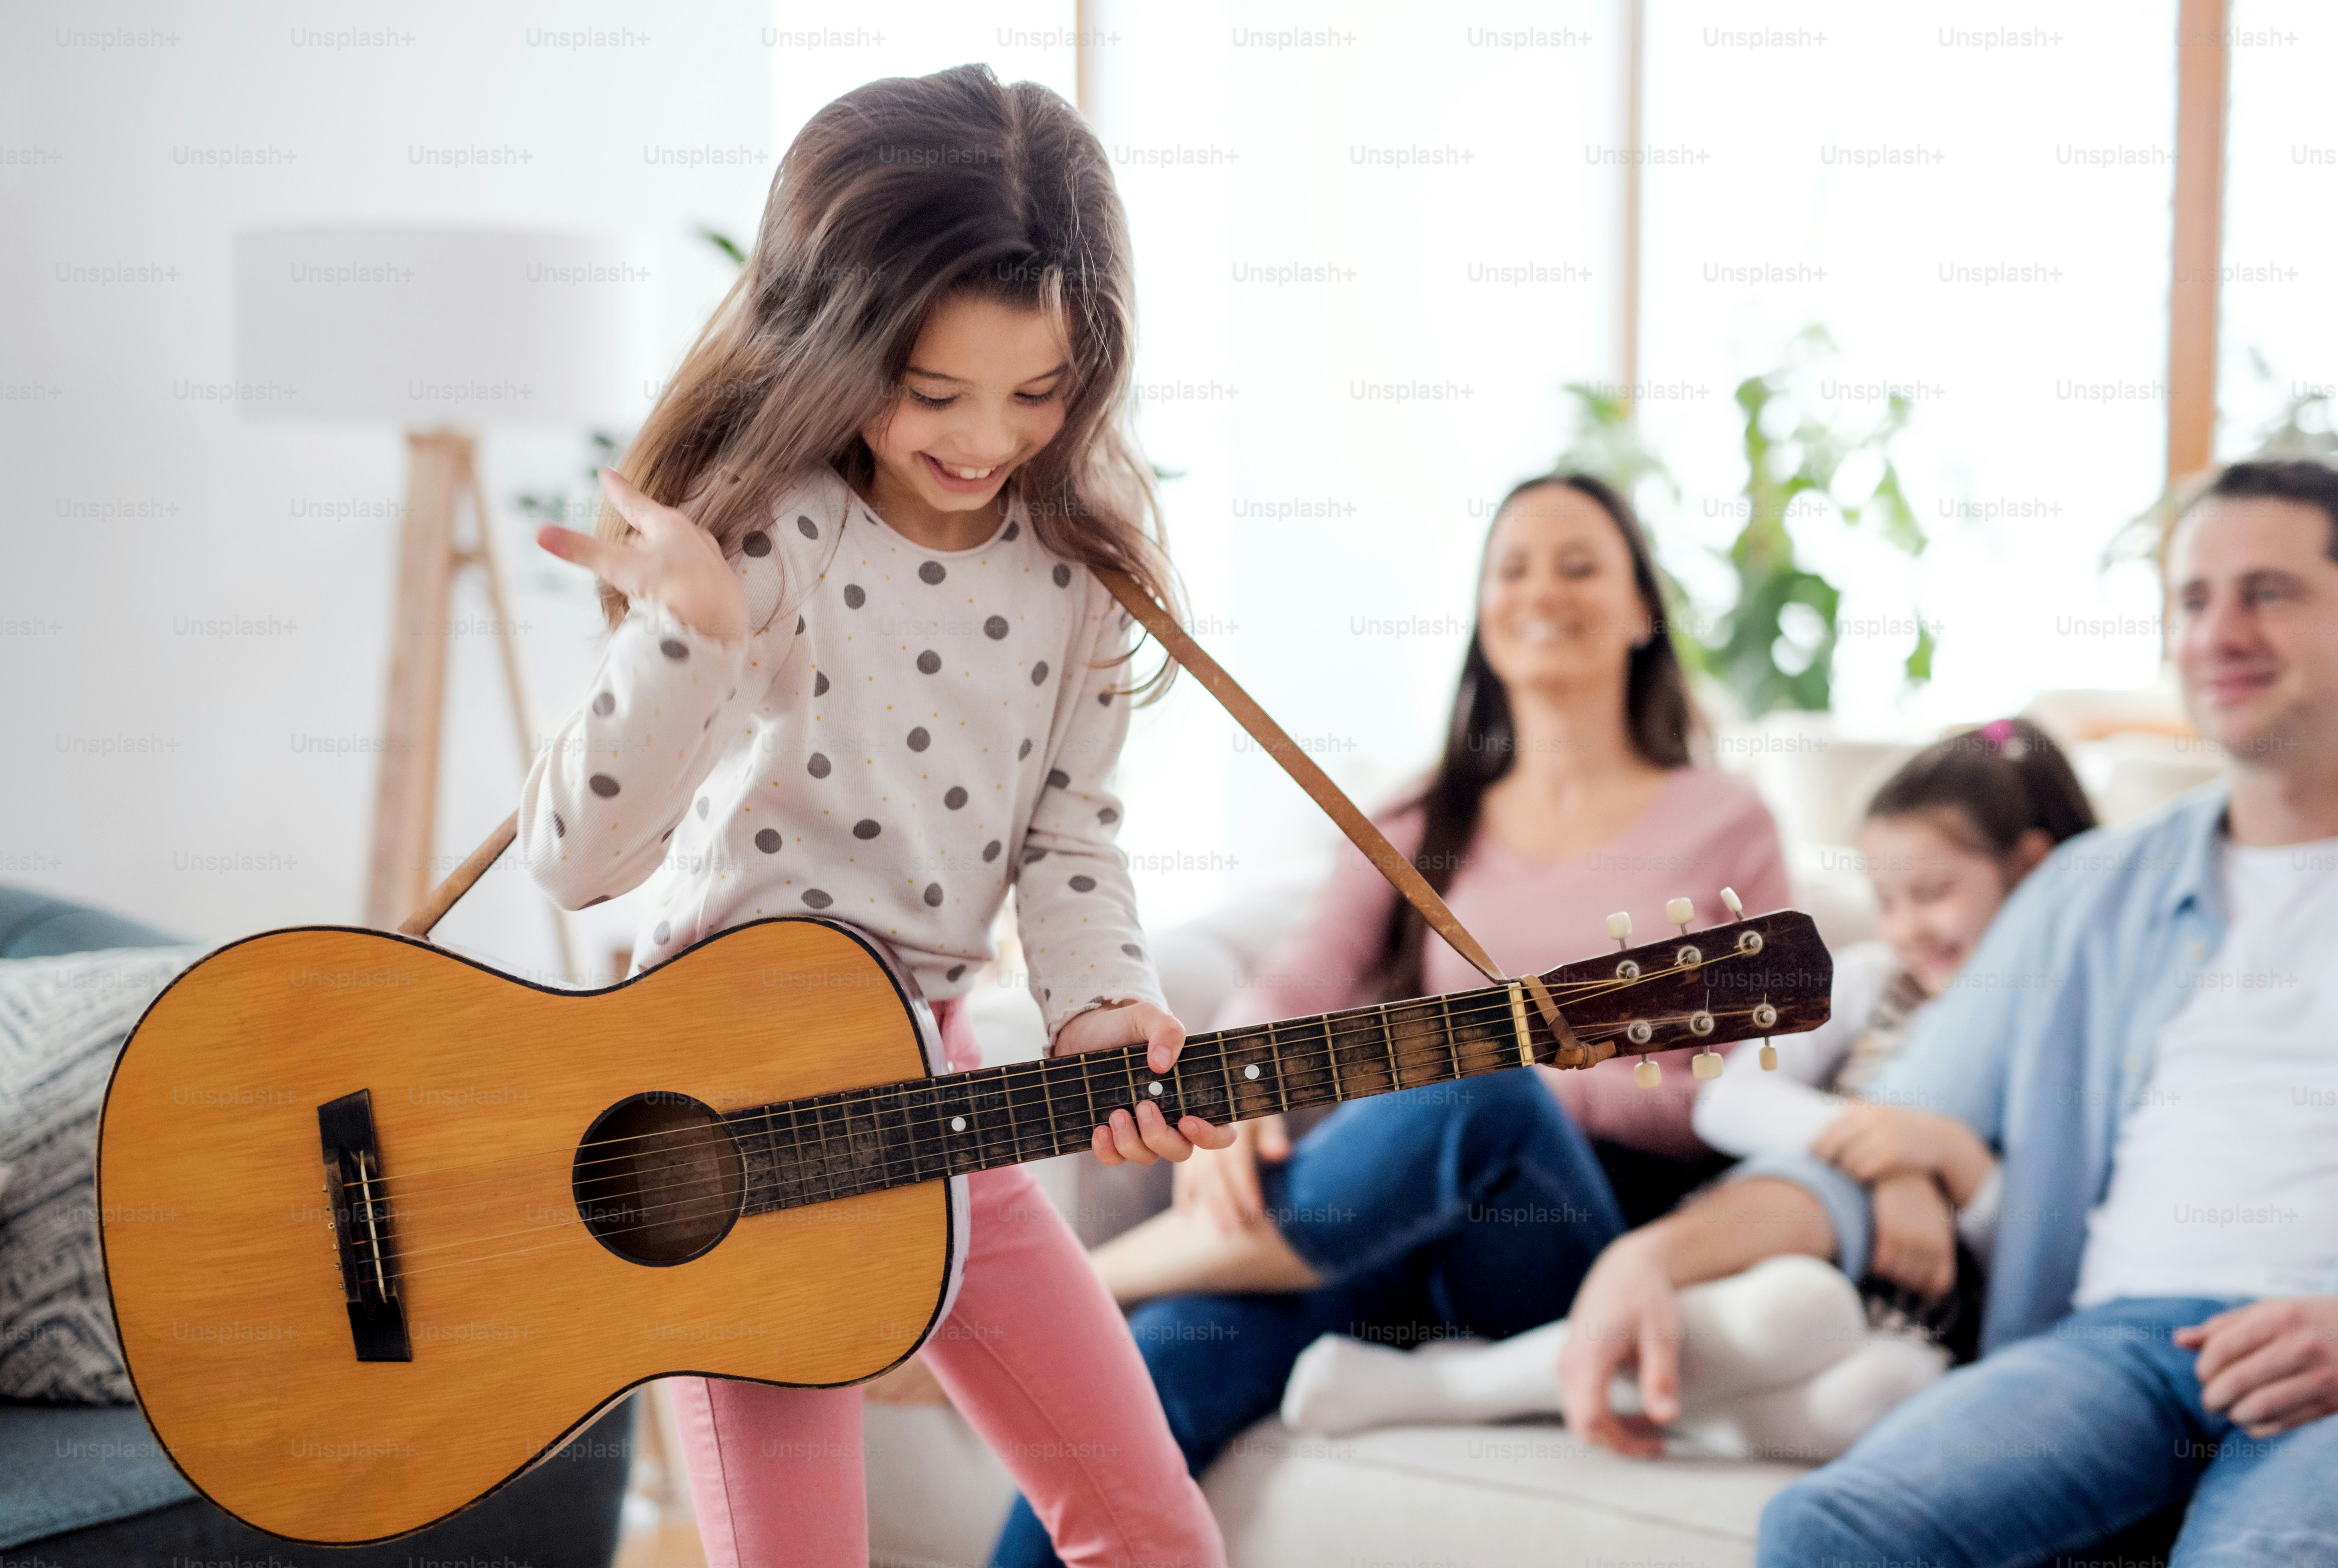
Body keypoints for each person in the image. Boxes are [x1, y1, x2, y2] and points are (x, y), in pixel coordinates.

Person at [519, 66, 1227, 1568]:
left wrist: (1105, 999)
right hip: (730, 1115)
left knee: (1158, 1534)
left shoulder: (1076, 569)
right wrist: (690, 632)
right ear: (834, 343)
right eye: (934, 388)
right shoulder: (767, 534)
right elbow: (576, 861)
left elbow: (1068, 829)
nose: (986, 438)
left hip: (943, 1081)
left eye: (1038, 392)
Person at [1559, 459, 2338, 1566]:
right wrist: (1655, 1256)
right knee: (1829, 1529)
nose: (2220, 631)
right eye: (2192, 599)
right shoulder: (2092, 890)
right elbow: (1878, 1140)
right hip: (2116, 1347)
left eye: (2270, 592)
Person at [989, 471, 1793, 1567]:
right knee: (1158, 1366)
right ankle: (1115, 1302)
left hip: (1564, 1238)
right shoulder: (1422, 817)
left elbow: (1737, 1092)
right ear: (1481, 615)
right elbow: (1292, 979)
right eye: (1511, 568)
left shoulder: (1724, 818)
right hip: (1383, 1216)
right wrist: (1228, 1094)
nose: (1540, 590)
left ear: (1641, 611)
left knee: (1488, 1081)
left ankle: (1064, 1285)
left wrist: (1500, 1064)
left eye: (1579, 563)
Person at [1273, 718, 2098, 1464]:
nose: (1907, 925)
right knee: (1798, 1308)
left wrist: (1950, 1159)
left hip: (1925, 1317)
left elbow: (2047, 1239)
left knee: (1877, 1396)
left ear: (2032, 869)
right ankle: (1453, 1390)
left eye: (1933, 894)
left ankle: (1670, 1408)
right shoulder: (1877, 980)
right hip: (1788, 1242)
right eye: (1887, 901)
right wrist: (1877, 1148)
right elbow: (1729, 1100)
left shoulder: (2076, 1030)